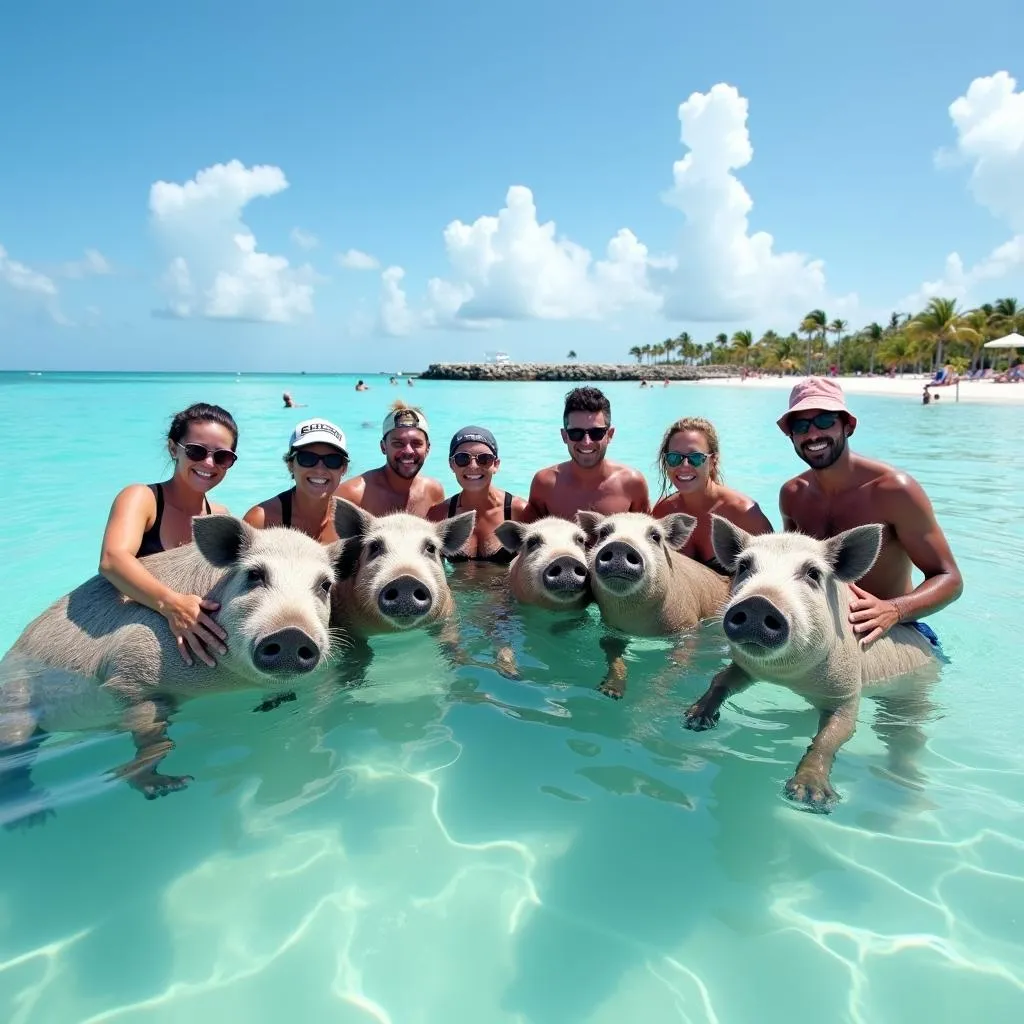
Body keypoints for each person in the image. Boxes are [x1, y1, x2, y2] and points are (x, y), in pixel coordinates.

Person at [777, 377, 963, 648]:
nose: (813, 434)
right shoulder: (793, 494)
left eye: (825, 421)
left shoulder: (894, 490)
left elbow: (950, 579)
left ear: (848, 426)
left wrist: (893, 610)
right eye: (801, 426)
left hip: (894, 632)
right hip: (825, 631)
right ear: (791, 436)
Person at [98, 402, 238, 667]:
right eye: (196, 451)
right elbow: (112, 559)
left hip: (181, 656)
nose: (209, 463)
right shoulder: (142, 498)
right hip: (123, 647)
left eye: (222, 457)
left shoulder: (221, 516)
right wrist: (173, 605)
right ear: (174, 448)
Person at [652, 416, 773, 573]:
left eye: (695, 458)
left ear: (713, 461)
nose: (684, 466)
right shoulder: (663, 511)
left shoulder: (744, 513)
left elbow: (776, 568)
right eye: (674, 458)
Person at [522, 386, 650, 521]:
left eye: (596, 433)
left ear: (610, 435)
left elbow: (647, 538)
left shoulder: (632, 483)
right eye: (576, 433)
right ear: (564, 436)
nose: (586, 442)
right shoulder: (545, 484)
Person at [427, 426, 527, 564]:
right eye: (462, 458)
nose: (473, 466)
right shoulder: (439, 515)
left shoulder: (518, 511)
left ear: (496, 465)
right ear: (451, 465)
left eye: (484, 459)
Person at [244, 418, 350, 543]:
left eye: (332, 460)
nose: (320, 469)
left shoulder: (350, 521)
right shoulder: (260, 521)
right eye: (307, 458)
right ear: (290, 465)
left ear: (343, 469)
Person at [334, 401, 444, 517]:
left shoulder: (433, 492)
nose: (408, 451)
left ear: (427, 448)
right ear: (383, 447)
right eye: (398, 443)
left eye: (416, 443)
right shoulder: (352, 494)